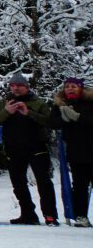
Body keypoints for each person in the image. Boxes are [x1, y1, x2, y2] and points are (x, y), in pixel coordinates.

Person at [0, 72, 58, 225]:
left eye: (19, 86)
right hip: (14, 148)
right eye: (12, 86)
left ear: (26, 87)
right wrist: (7, 111)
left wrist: (29, 113)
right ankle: (28, 214)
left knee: (44, 182)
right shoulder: (4, 102)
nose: (15, 89)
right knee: (18, 184)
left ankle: (50, 215)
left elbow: (49, 122)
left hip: (37, 147)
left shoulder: (37, 102)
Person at [48, 77, 93, 227]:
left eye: (73, 86)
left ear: (80, 88)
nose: (70, 89)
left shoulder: (89, 102)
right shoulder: (60, 104)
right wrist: (64, 120)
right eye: (67, 86)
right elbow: (51, 122)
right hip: (76, 150)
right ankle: (81, 216)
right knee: (79, 185)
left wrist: (78, 118)